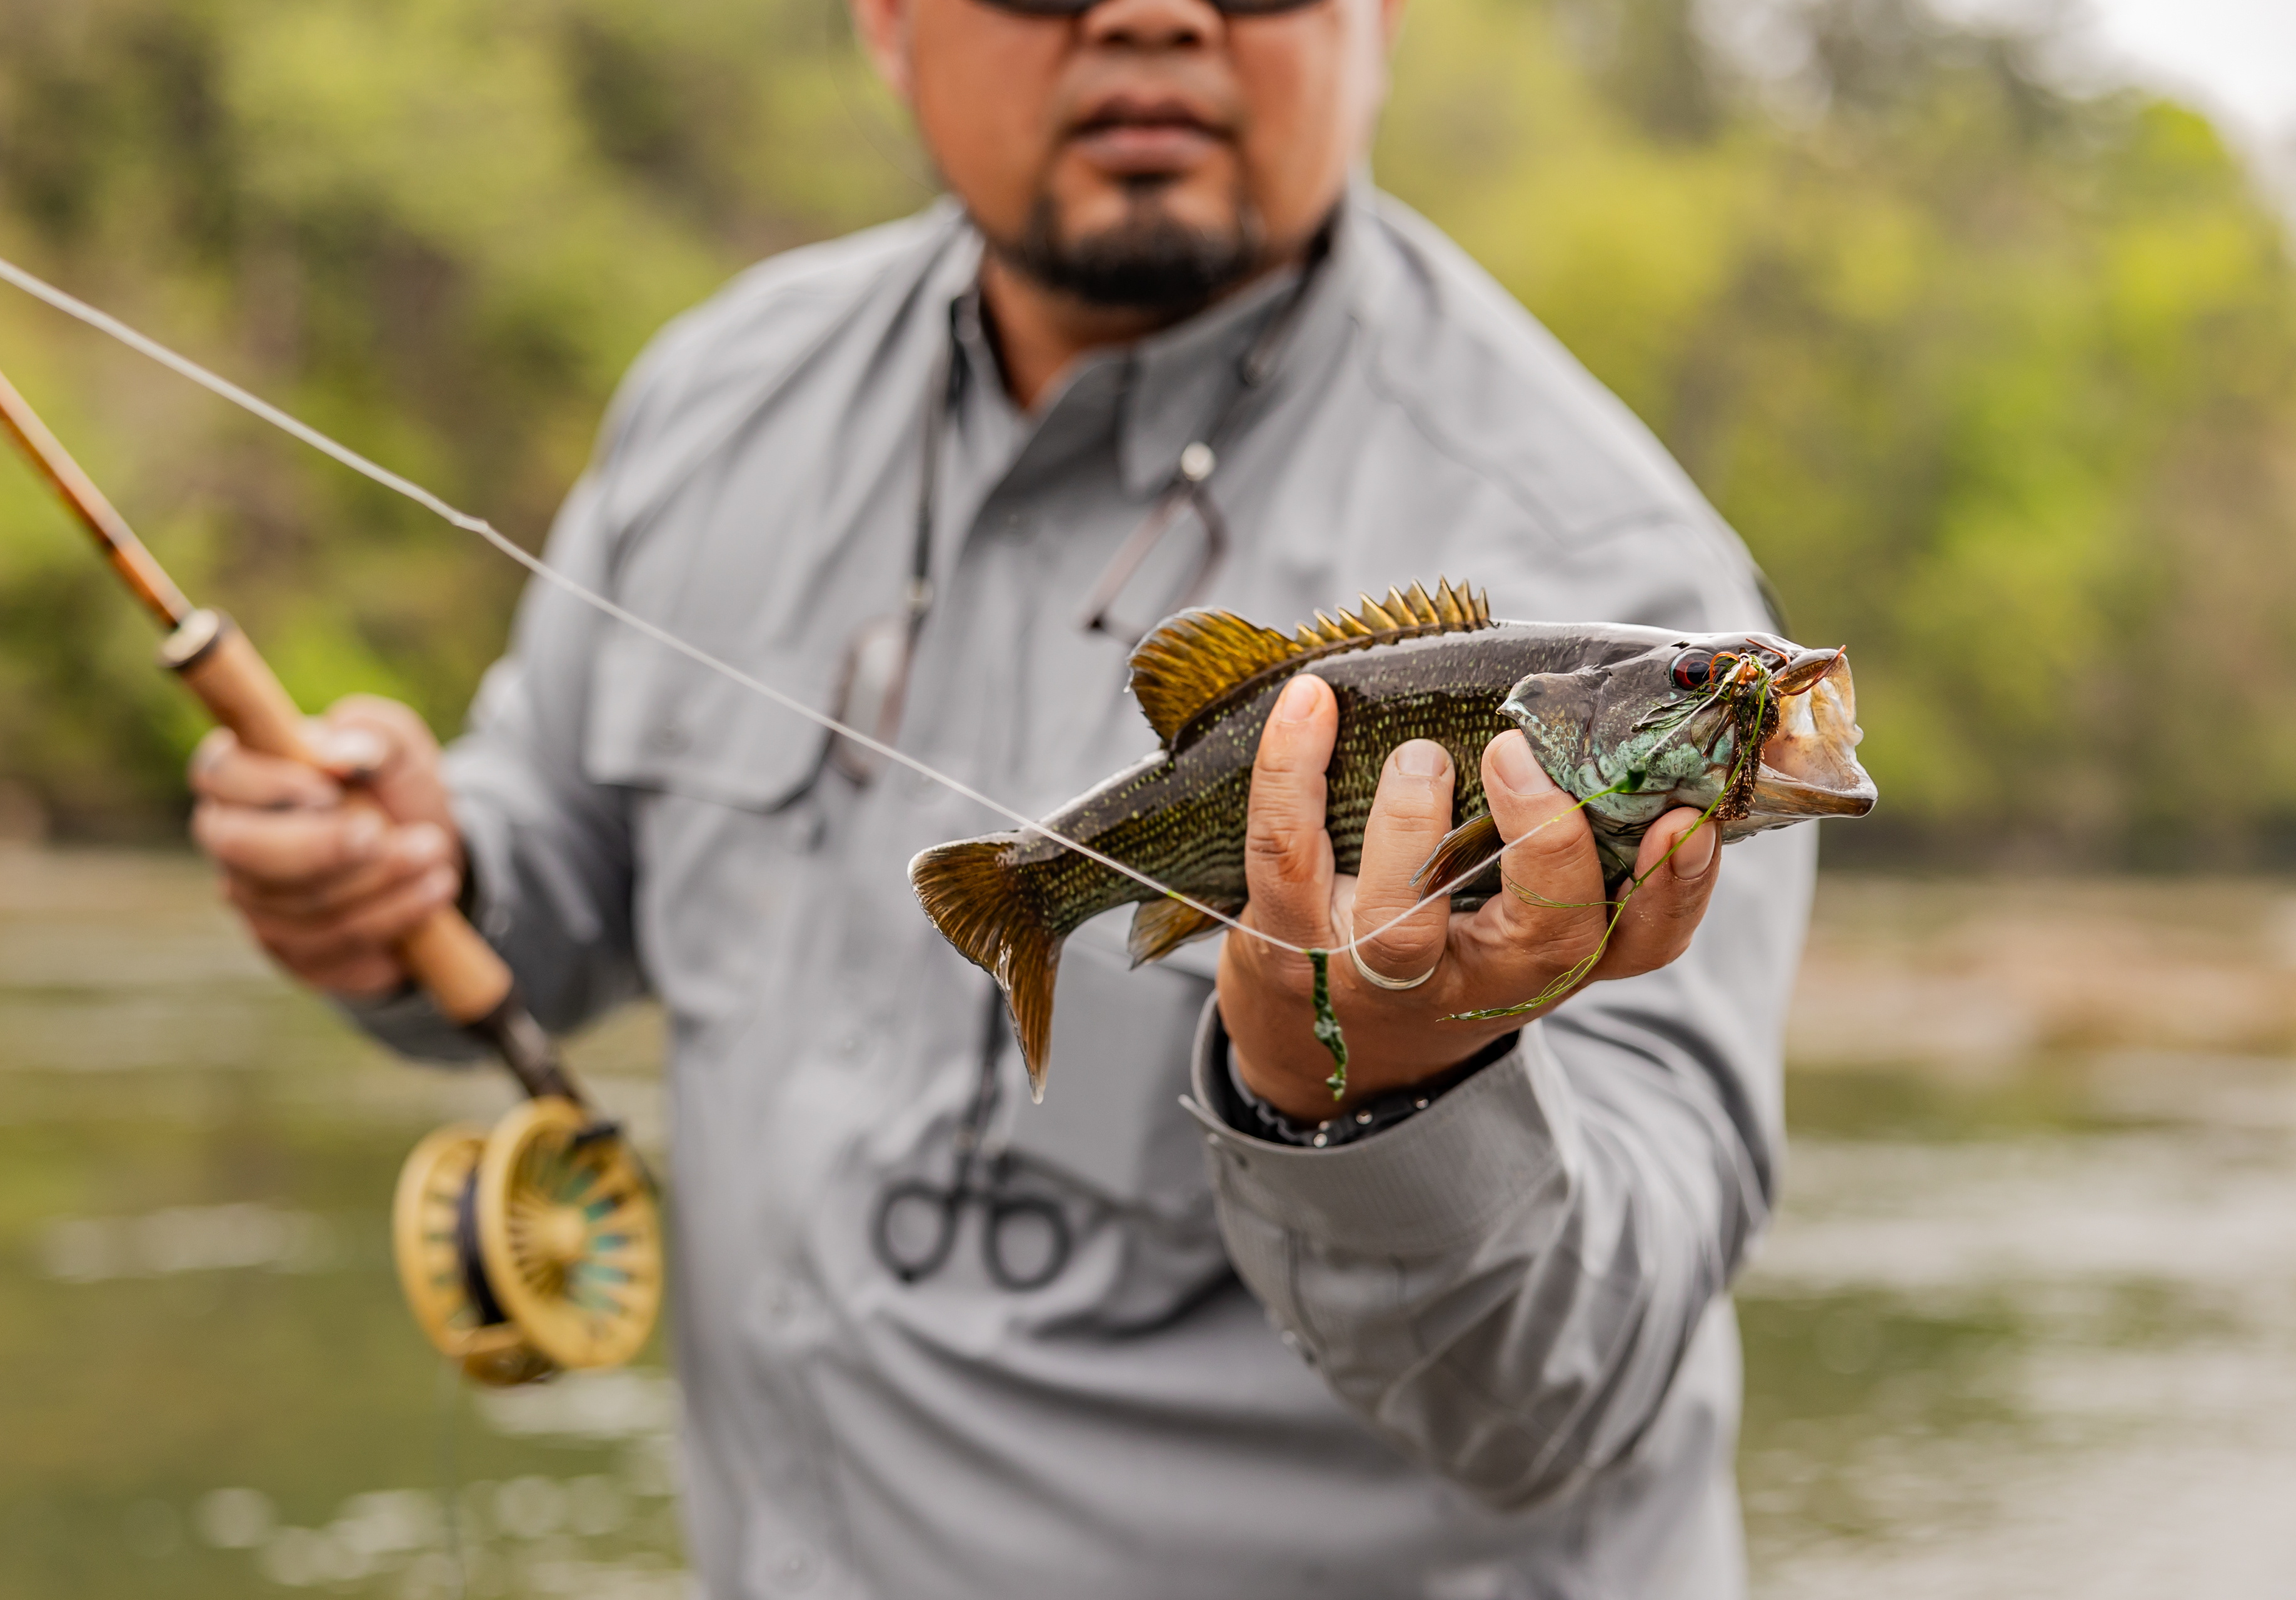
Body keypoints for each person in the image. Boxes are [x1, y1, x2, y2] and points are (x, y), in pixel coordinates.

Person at [187, 0, 1813, 1592]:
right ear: (884, 22)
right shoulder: (717, 396)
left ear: (1382, 21)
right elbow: (544, 879)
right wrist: (409, 874)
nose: (1154, 20)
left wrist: (1379, 1093)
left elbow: (1581, 1392)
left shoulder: (1619, 566)